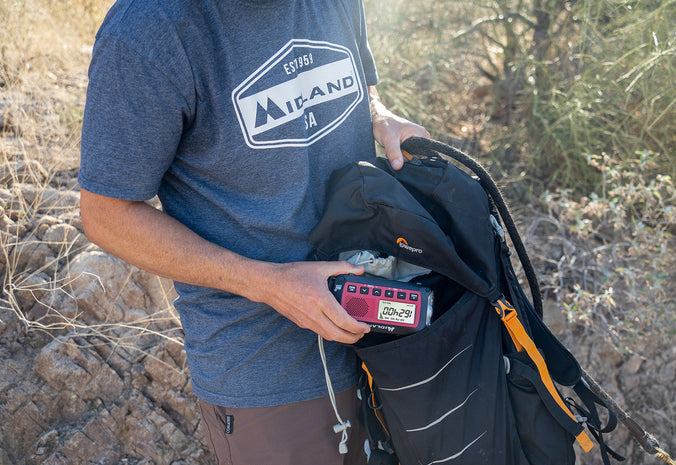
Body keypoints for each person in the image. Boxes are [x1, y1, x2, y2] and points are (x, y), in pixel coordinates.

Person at [78, 0, 429, 463]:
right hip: (267, 373)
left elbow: (357, 86)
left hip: (386, 335)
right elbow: (107, 214)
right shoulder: (147, 30)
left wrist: (380, 117)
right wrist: (268, 283)